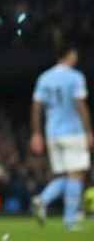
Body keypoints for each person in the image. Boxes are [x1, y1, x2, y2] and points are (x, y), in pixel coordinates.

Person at [30, 45, 92, 231]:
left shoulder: (44, 77)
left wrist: (36, 133)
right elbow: (80, 105)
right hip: (73, 131)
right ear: (70, 55)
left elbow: (36, 107)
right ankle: (69, 220)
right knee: (76, 174)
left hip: (52, 133)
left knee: (66, 176)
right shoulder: (76, 77)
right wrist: (89, 131)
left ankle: (43, 199)